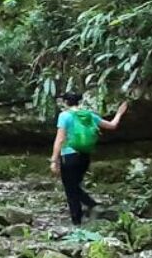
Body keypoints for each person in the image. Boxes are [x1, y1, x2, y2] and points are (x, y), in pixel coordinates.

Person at [51, 92, 128, 226]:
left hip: (69, 156)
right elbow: (112, 125)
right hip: (85, 156)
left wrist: (54, 160)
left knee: (71, 190)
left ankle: (78, 220)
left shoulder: (64, 116)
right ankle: (90, 207)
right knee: (74, 186)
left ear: (65, 103)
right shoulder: (89, 115)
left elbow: (60, 138)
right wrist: (120, 112)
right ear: (79, 102)